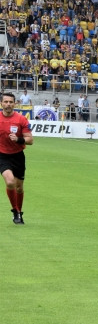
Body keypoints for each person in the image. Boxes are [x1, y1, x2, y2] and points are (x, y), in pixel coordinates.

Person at [0, 91, 34, 224]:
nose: (8, 104)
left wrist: (19, 139)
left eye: (11, 102)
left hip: (18, 156)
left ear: (15, 103)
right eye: (6, 102)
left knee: (19, 188)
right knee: (10, 182)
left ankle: (19, 211)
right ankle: (15, 211)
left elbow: (30, 140)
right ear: (1, 103)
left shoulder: (21, 119)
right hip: (2, 156)